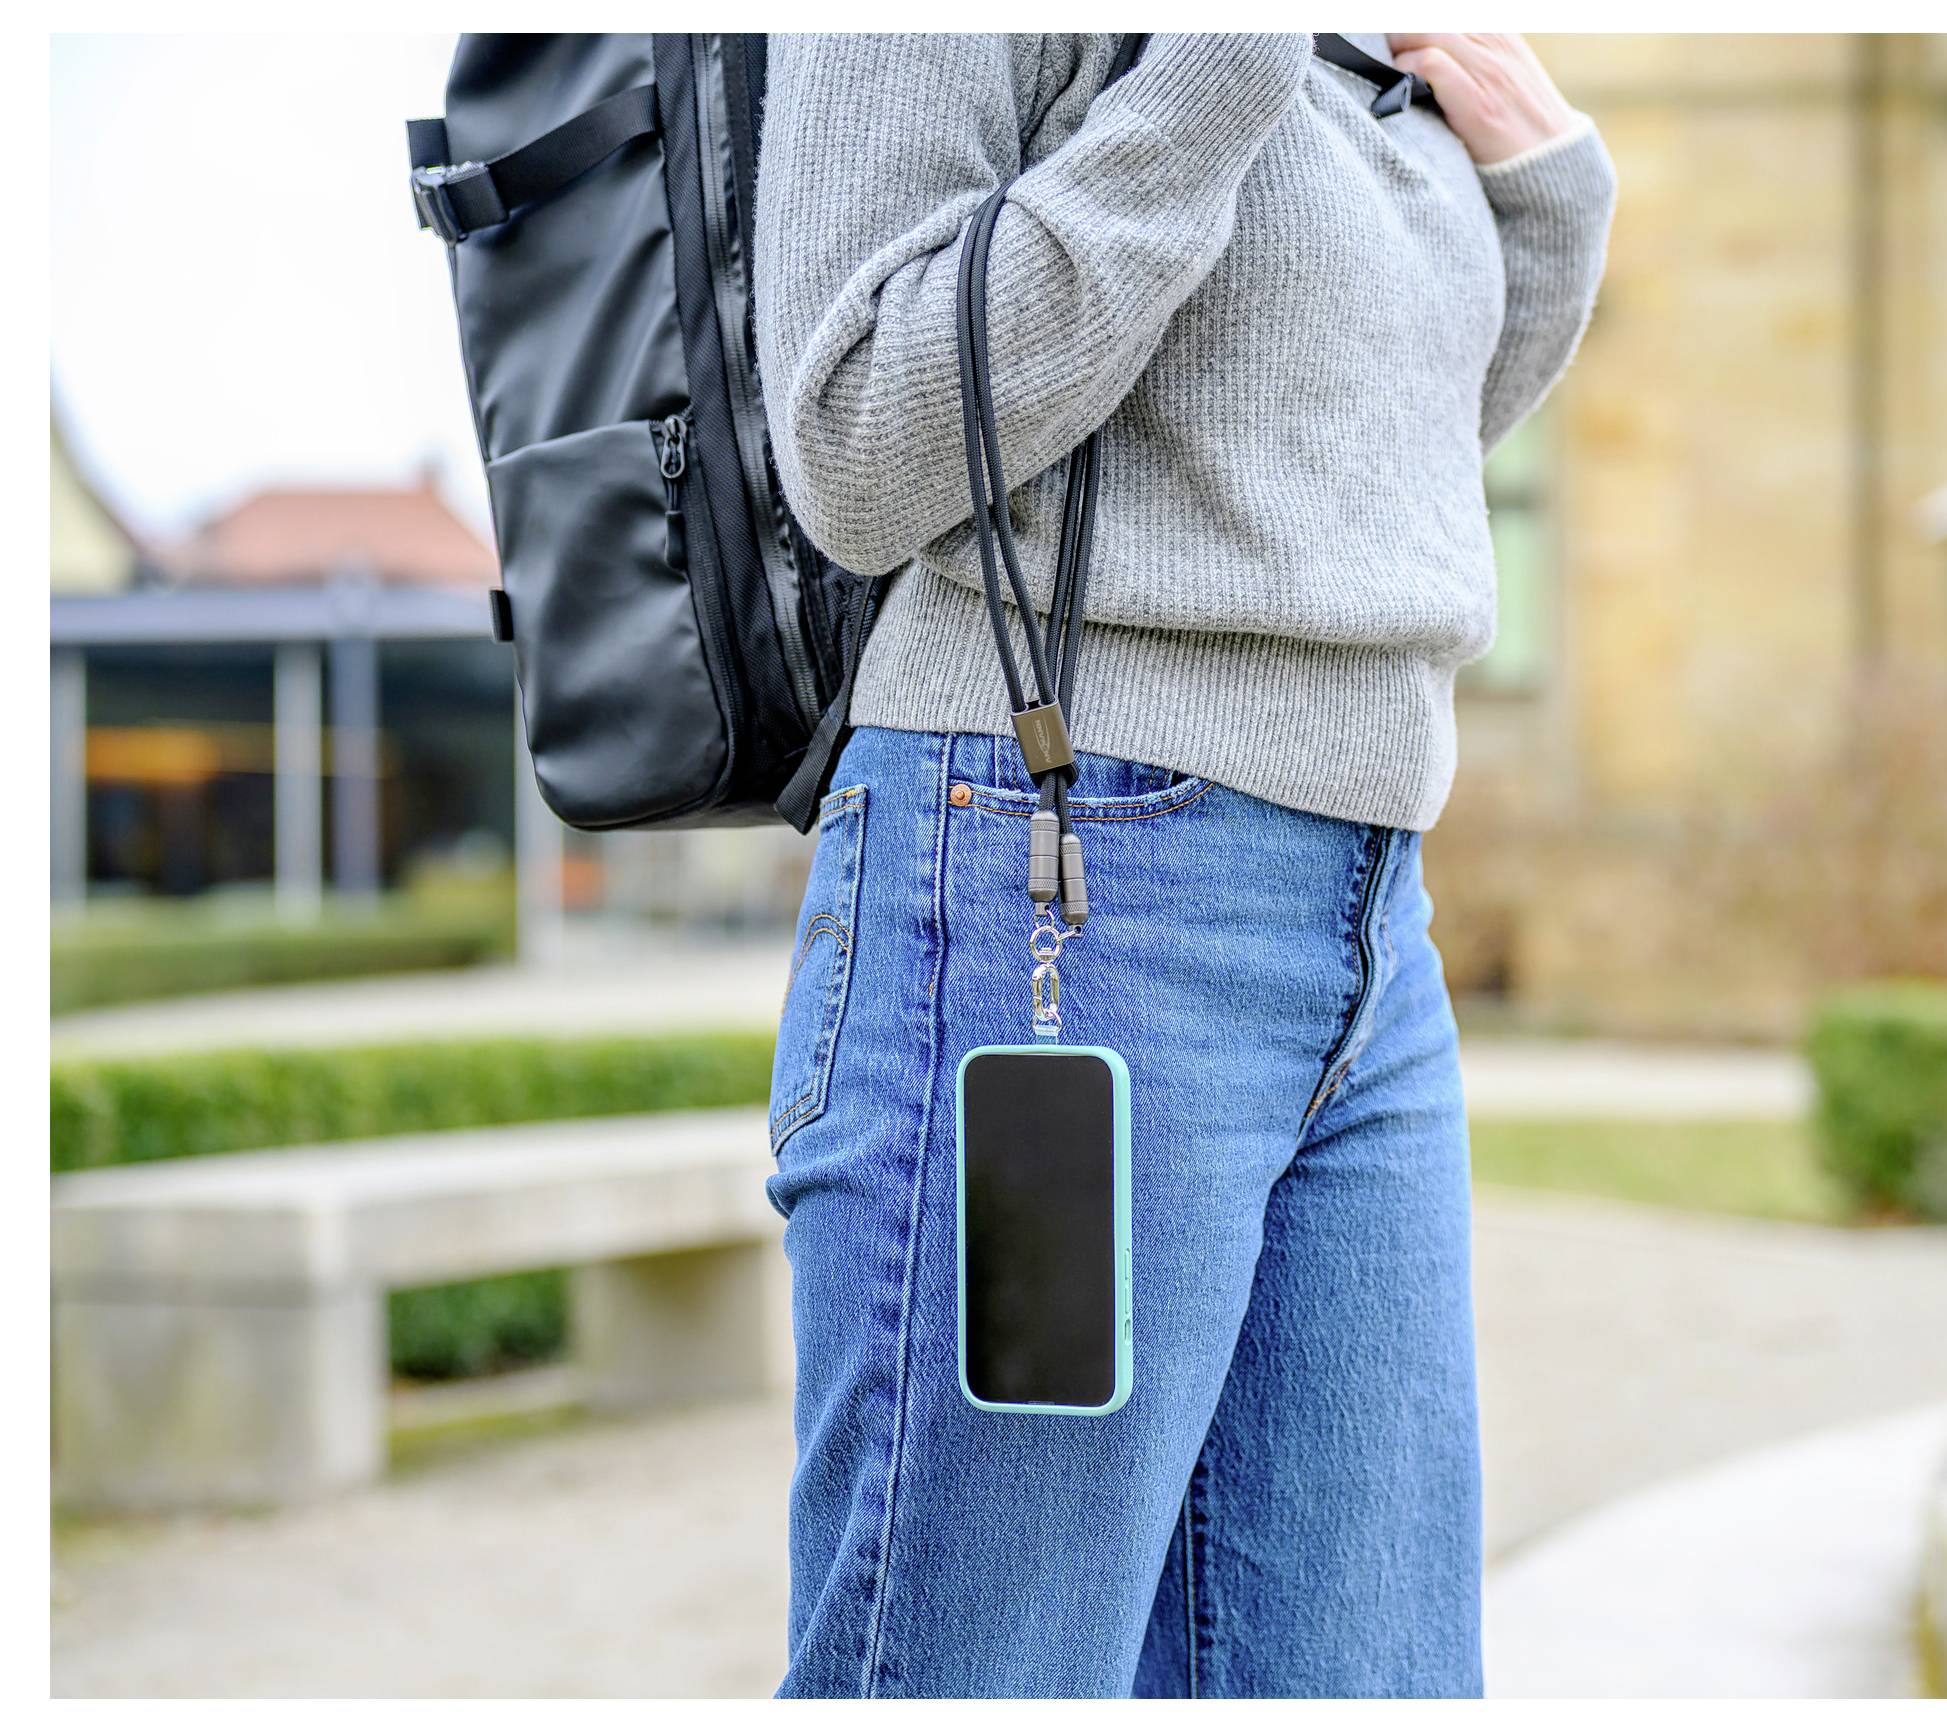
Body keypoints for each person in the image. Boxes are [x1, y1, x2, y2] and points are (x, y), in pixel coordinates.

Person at [753, 30, 1613, 1699]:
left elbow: (1341, 469)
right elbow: (857, 446)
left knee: (1362, 1676)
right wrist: (1215, 69)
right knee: (983, 1673)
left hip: (1367, 926)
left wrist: (1545, 198)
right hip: (1057, 896)